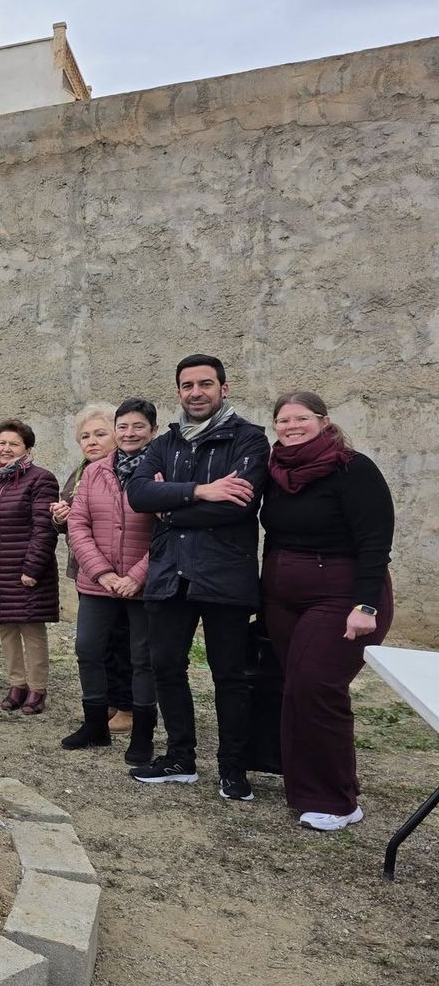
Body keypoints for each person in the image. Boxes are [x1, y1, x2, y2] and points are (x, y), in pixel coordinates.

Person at [125, 353, 269, 799]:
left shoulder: (249, 440)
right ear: (179, 392)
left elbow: (238, 505)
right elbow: (138, 493)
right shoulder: (165, 442)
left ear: (223, 389)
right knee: (166, 665)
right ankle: (180, 758)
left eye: (205, 384)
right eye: (187, 386)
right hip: (170, 574)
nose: (196, 393)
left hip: (225, 574)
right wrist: (202, 490)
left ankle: (233, 768)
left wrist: (171, 505)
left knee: (229, 674)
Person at [261, 391, 394, 831]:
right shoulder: (275, 470)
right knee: (294, 688)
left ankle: (339, 800)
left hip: (342, 595)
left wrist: (365, 605)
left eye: (301, 418)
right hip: (283, 597)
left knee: (318, 686)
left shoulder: (353, 469)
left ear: (323, 420)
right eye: (283, 419)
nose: (291, 426)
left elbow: (375, 542)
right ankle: (304, 788)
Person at [61, 399, 160, 761]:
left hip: (142, 583)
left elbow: (167, 529)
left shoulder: (161, 470)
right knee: (88, 649)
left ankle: (142, 735)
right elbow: (77, 523)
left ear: (153, 430)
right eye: (123, 427)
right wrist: (102, 572)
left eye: (137, 427)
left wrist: (135, 576)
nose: (129, 433)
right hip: (97, 582)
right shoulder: (94, 472)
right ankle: (95, 726)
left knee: (141, 656)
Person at [53, 403, 135, 732]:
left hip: (125, 573)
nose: (92, 441)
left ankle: (128, 708)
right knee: (98, 644)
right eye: (85, 436)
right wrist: (60, 517)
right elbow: (75, 521)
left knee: (125, 643)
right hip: (88, 570)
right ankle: (111, 702)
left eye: (100, 433)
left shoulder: (128, 470)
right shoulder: (82, 471)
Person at [0, 420, 60, 715]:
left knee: (32, 630)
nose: (6, 448)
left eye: (14, 444)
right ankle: (16, 684)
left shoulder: (41, 479)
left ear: (27, 449)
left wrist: (32, 568)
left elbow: (44, 529)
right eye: (2, 442)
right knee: (7, 628)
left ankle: (37, 689)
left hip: (26, 569)